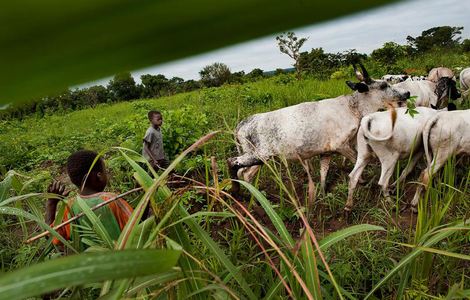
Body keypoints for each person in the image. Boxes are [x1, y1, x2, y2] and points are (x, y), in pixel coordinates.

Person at [45, 150, 133, 247]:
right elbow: (137, 228)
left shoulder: (69, 208)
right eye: (105, 171)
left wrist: (51, 204)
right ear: (99, 176)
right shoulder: (113, 200)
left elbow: (52, 238)